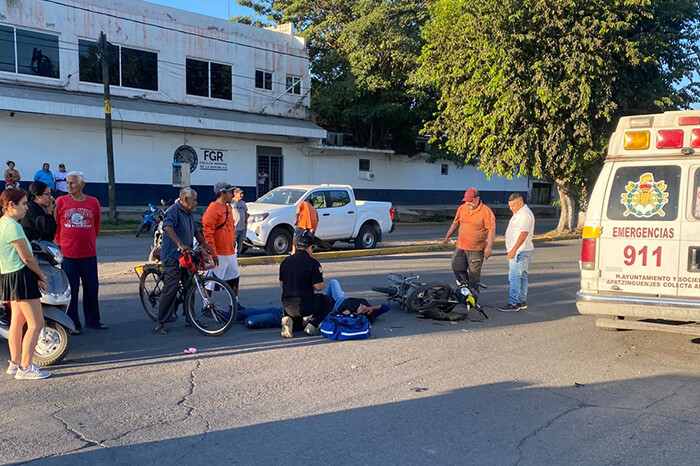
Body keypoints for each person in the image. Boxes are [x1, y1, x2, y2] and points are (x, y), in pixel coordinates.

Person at [0, 189, 51, 379]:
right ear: (11, 205)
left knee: (17, 322)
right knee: (36, 323)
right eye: (23, 204)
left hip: (8, 276)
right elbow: (27, 258)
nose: (26, 208)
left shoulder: (2, 224)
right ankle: (26, 367)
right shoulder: (12, 226)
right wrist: (41, 276)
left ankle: (15, 363)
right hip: (21, 276)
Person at [154, 187, 213, 335]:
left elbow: (195, 231)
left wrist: (204, 244)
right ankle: (160, 322)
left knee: (190, 286)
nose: (196, 203)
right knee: (171, 288)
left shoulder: (188, 213)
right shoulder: (173, 210)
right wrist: (180, 244)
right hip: (173, 255)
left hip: (186, 255)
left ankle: (190, 317)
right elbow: (167, 227)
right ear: (185, 200)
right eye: (194, 200)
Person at [55, 171, 105, 333]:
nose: (68, 186)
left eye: (72, 183)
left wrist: (88, 238)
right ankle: (72, 323)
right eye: (67, 182)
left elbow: (96, 225)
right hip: (68, 254)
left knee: (91, 288)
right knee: (71, 290)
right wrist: (60, 242)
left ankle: (93, 320)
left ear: (82, 184)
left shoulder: (93, 202)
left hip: (89, 253)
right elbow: (57, 225)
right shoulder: (61, 201)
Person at [441, 188, 496, 300]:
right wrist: (447, 237)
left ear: (477, 199)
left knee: (474, 275)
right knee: (456, 266)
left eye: (470, 201)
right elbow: (455, 223)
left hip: (476, 248)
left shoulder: (486, 211)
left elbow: (491, 230)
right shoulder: (462, 209)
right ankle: (464, 287)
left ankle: (473, 296)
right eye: (466, 201)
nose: (468, 203)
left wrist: (489, 247)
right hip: (461, 246)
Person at [278, 230, 335, 338]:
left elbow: (282, 284)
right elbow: (319, 287)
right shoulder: (313, 263)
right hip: (305, 305)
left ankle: (287, 319)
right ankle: (312, 325)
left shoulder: (285, 262)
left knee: (298, 325)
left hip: (287, 306)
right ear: (310, 248)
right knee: (329, 301)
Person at [202, 182, 241, 307]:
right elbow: (208, 234)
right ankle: (206, 305)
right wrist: (212, 253)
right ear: (222, 194)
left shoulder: (228, 208)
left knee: (235, 279)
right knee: (211, 282)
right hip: (219, 253)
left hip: (230, 252)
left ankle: (234, 304)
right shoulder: (212, 210)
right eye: (230, 192)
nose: (232, 195)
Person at [498, 193, 535, 312]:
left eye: (513, 205)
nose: (511, 208)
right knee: (522, 276)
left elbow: (524, 233)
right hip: (523, 250)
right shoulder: (519, 213)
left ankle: (513, 302)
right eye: (509, 206)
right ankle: (521, 301)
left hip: (520, 251)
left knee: (514, 276)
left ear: (520, 203)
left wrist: (513, 250)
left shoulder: (524, 215)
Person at [323, 279, 390, 323]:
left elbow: (340, 315)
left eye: (361, 309)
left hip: (341, 301)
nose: (362, 306)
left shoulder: (351, 311)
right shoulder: (371, 312)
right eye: (363, 307)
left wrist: (345, 313)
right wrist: (372, 308)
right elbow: (386, 308)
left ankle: (323, 302)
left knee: (333, 282)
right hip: (348, 299)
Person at [231, 187, 249, 255]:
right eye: (240, 193)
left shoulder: (243, 203)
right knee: (233, 242)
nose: (242, 195)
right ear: (235, 194)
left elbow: (246, 213)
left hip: (242, 227)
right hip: (234, 227)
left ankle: (238, 254)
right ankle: (233, 255)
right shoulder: (231, 202)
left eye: (242, 193)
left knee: (240, 242)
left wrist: (246, 224)